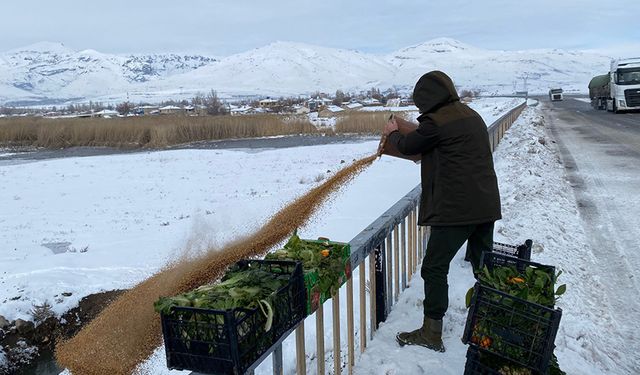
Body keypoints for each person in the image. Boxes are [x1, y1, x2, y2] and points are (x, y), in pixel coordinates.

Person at [382, 71, 501, 352]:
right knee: (484, 266)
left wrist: (393, 133)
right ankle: (496, 321)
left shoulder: (437, 122)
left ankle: (431, 332)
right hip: (485, 205)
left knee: (434, 267)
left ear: (427, 99)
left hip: (457, 210)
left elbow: (410, 144)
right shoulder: (470, 115)